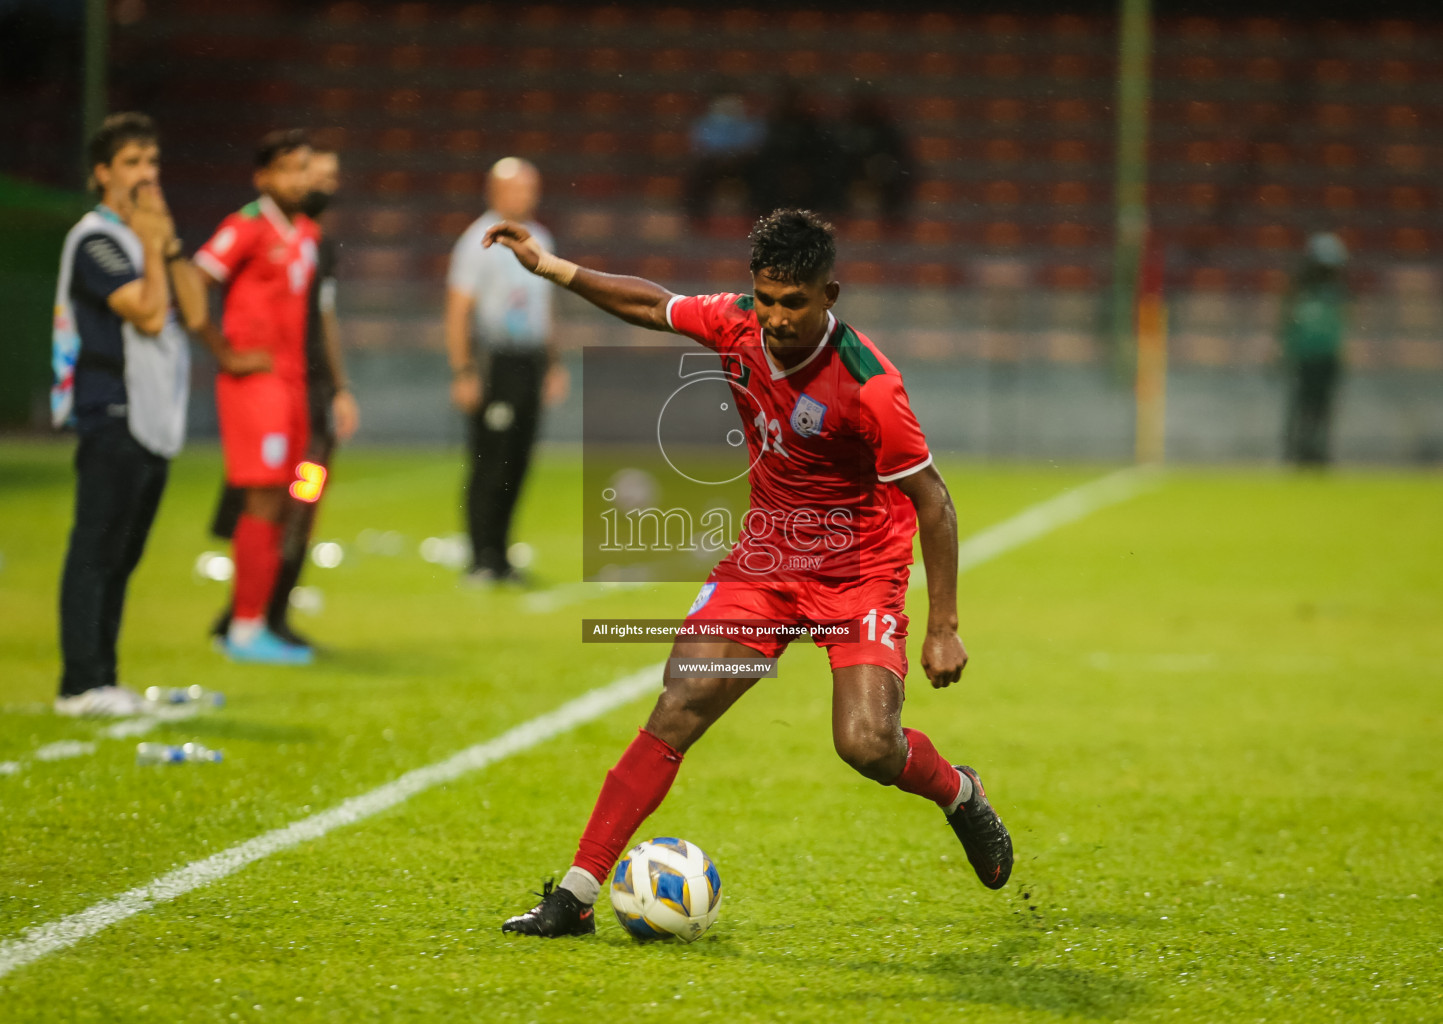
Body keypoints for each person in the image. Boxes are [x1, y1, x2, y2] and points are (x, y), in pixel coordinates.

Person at [488, 209, 1013, 937]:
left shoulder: (869, 387)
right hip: (764, 563)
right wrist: (550, 267)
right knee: (680, 703)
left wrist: (944, 626)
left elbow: (934, 502)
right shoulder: (734, 322)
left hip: (857, 573)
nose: (773, 318)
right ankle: (575, 895)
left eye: (791, 303)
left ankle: (958, 793)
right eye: (764, 299)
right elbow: (650, 303)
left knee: (865, 745)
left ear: (829, 294)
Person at [51, 112, 247, 715]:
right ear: (102, 173)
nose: (145, 174)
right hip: (111, 405)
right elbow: (145, 311)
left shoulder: (145, 237)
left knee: (124, 551)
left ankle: (105, 678)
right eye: (132, 162)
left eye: (152, 162)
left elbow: (191, 311)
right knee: (96, 545)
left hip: (151, 412)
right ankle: (79, 683)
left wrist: (167, 242)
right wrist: (152, 250)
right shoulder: (96, 239)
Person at [206, 145, 359, 646]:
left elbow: (327, 319)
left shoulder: (319, 243)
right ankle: (245, 613)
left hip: (311, 397)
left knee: (302, 498)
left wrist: (337, 388)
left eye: (332, 176)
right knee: (264, 495)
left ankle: (271, 609)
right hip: (274, 391)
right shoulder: (263, 230)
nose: (325, 184)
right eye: (318, 174)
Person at [193, 129, 321, 663]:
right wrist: (223, 351)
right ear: (263, 177)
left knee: (286, 502)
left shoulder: (307, 231)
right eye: (289, 168)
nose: (300, 178)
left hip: (291, 385)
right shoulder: (245, 225)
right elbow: (195, 277)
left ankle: (254, 621)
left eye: (304, 168)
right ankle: (245, 628)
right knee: (263, 499)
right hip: (256, 385)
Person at [445, 156, 567, 585]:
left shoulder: (542, 236)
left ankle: (502, 556)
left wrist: (553, 363)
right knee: (489, 459)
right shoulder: (478, 240)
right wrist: (463, 371)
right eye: (517, 187)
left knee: (519, 459)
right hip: (494, 360)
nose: (525, 195)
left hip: (529, 360)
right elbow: (459, 309)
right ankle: (481, 557)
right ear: (494, 191)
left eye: (530, 187)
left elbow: (545, 306)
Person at [1281, 232, 1348, 466]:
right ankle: (1297, 453)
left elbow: (1340, 328)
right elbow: (1287, 325)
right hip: (1305, 359)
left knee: (1322, 409)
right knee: (1302, 408)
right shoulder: (1299, 292)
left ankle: (1319, 454)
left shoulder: (1337, 293)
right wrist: (1284, 352)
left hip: (1327, 359)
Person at [684, 94, 763, 222]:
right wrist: (721, 157)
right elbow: (701, 147)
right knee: (698, 176)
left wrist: (733, 157)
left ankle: (756, 213)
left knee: (762, 174)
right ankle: (697, 216)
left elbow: (751, 145)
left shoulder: (748, 123)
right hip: (713, 162)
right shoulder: (705, 123)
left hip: (740, 162)